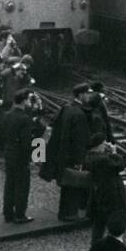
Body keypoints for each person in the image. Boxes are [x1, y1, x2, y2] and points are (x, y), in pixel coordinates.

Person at [49, 84, 93, 221]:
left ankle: (64, 212)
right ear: (81, 95)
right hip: (73, 155)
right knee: (73, 185)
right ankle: (70, 214)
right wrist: (79, 160)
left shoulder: (67, 108)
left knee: (66, 184)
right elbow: (79, 140)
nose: (89, 96)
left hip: (63, 153)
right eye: (87, 93)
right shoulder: (79, 114)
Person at [0, 88, 45, 223]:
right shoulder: (25, 119)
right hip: (20, 156)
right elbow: (28, 141)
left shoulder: (7, 115)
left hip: (9, 152)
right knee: (22, 185)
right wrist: (35, 157)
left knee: (9, 184)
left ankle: (8, 213)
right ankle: (20, 214)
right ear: (25, 101)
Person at [86, 133, 126, 243]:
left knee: (98, 226)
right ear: (100, 144)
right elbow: (119, 166)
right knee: (113, 224)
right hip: (111, 196)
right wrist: (114, 152)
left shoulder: (90, 156)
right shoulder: (103, 160)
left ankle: (96, 246)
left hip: (98, 195)